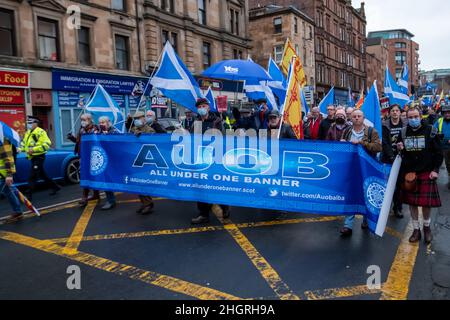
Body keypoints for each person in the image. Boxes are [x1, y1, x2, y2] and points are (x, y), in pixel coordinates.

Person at [397, 107, 443, 244]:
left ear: (420, 116)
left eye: (415, 116)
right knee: (412, 203)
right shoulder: (404, 132)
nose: (413, 119)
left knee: (425, 204)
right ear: (407, 118)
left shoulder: (430, 130)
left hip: (426, 173)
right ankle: (416, 229)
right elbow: (400, 151)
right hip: (410, 173)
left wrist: (435, 170)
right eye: (410, 117)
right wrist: (399, 148)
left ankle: (427, 228)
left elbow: (439, 153)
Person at [340, 110, 382, 237]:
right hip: (351, 167)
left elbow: (378, 147)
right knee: (350, 195)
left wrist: (361, 143)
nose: (357, 118)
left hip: (366, 168)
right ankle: (348, 225)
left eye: (359, 116)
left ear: (363, 118)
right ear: (351, 118)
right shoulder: (347, 131)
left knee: (366, 194)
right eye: (354, 116)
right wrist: (341, 143)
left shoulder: (371, 131)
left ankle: (366, 219)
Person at [190, 98, 230, 224]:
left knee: (216, 186)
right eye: (199, 106)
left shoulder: (217, 121)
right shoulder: (195, 123)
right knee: (200, 187)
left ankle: (225, 207)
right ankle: (203, 214)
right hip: (200, 160)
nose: (201, 108)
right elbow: (190, 140)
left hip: (214, 159)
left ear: (208, 107)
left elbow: (224, 141)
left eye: (203, 106)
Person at [18, 116, 60, 200]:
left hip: (39, 157)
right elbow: (24, 144)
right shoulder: (28, 132)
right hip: (33, 157)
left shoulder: (41, 132)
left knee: (33, 175)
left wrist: (33, 149)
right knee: (42, 174)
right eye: (28, 123)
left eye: (30, 123)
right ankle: (55, 186)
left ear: (35, 124)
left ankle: (28, 193)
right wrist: (19, 149)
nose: (28, 125)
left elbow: (46, 145)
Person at [67, 113, 100, 206]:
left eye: (84, 120)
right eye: (81, 120)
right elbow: (79, 142)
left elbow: (95, 142)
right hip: (82, 155)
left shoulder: (95, 129)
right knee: (85, 175)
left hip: (91, 156)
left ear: (90, 120)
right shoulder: (81, 130)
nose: (82, 122)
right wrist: (72, 138)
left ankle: (87, 196)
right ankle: (92, 195)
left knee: (91, 176)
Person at [381, 104, 407, 218]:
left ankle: (397, 207)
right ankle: (385, 207)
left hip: (402, 158)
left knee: (400, 185)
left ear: (400, 112)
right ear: (389, 112)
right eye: (393, 111)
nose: (395, 112)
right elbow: (385, 143)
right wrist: (392, 157)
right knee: (387, 184)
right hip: (388, 158)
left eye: (397, 110)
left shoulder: (405, 124)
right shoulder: (384, 125)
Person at [131, 112, 157, 214]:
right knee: (137, 183)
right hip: (135, 158)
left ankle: (148, 204)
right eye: (135, 118)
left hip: (146, 159)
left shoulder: (149, 130)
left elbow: (152, 142)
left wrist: (142, 136)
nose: (137, 120)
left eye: (139, 118)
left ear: (144, 119)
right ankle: (143, 202)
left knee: (143, 182)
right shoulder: (133, 129)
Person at [96, 116, 120, 210]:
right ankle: (110, 200)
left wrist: (108, 136)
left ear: (108, 122)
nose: (101, 124)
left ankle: (111, 200)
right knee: (106, 180)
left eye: (103, 122)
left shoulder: (114, 131)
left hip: (113, 160)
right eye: (100, 122)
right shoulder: (99, 132)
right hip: (104, 159)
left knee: (110, 179)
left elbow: (117, 144)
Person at [0, 138, 23, 220]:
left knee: (7, 191)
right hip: (2, 174)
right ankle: (17, 211)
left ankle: (17, 211)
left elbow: (8, 158)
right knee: (8, 191)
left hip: (3, 174)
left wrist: (9, 174)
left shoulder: (3, 141)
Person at [435, 104, 450, 189]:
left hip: (449, 147)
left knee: (449, 165)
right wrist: (437, 135)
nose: (447, 114)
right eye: (445, 113)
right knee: (437, 163)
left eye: (449, 112)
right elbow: (433, 130)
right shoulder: (439, 121)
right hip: (440, 147)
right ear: (443, 113)